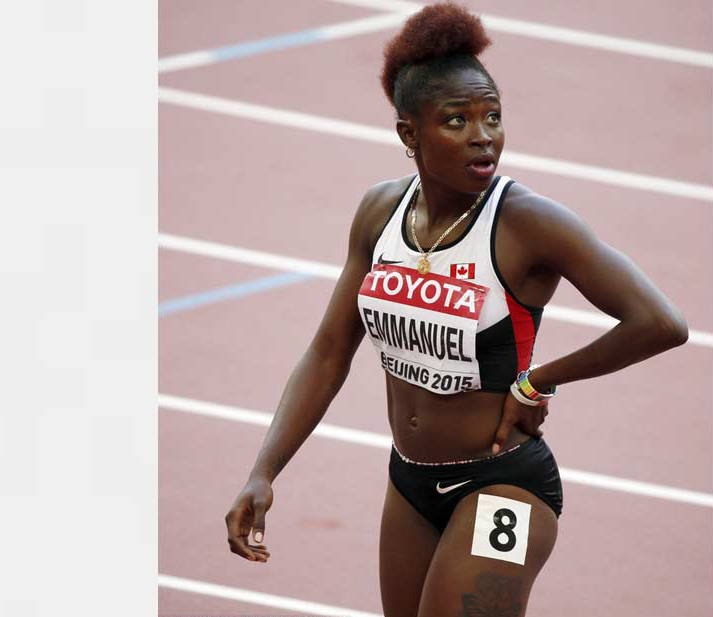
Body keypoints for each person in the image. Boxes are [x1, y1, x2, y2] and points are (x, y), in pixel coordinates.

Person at [224, 2, 688, 614]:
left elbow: (660, 323)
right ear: (409, 133)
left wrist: (537, 380)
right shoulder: (380, 214)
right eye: (457, 120)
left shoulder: (527, 222)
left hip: (505, 485)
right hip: (410, 482)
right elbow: (329, 351)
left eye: (493, 115)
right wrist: (264, 470)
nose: (484, 134)